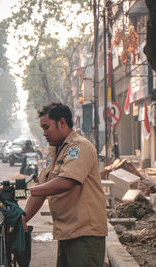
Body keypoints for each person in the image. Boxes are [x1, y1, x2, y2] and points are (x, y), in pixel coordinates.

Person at [22, 102, 108, 267]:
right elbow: (43, 187)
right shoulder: (55, 151)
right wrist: (23, 218)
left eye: (47, 127)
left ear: (62, 123)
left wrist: (26, 191)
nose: (44, 133)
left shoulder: (79, 147)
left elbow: (65, 182)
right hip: (67, 232)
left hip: (84, 234)